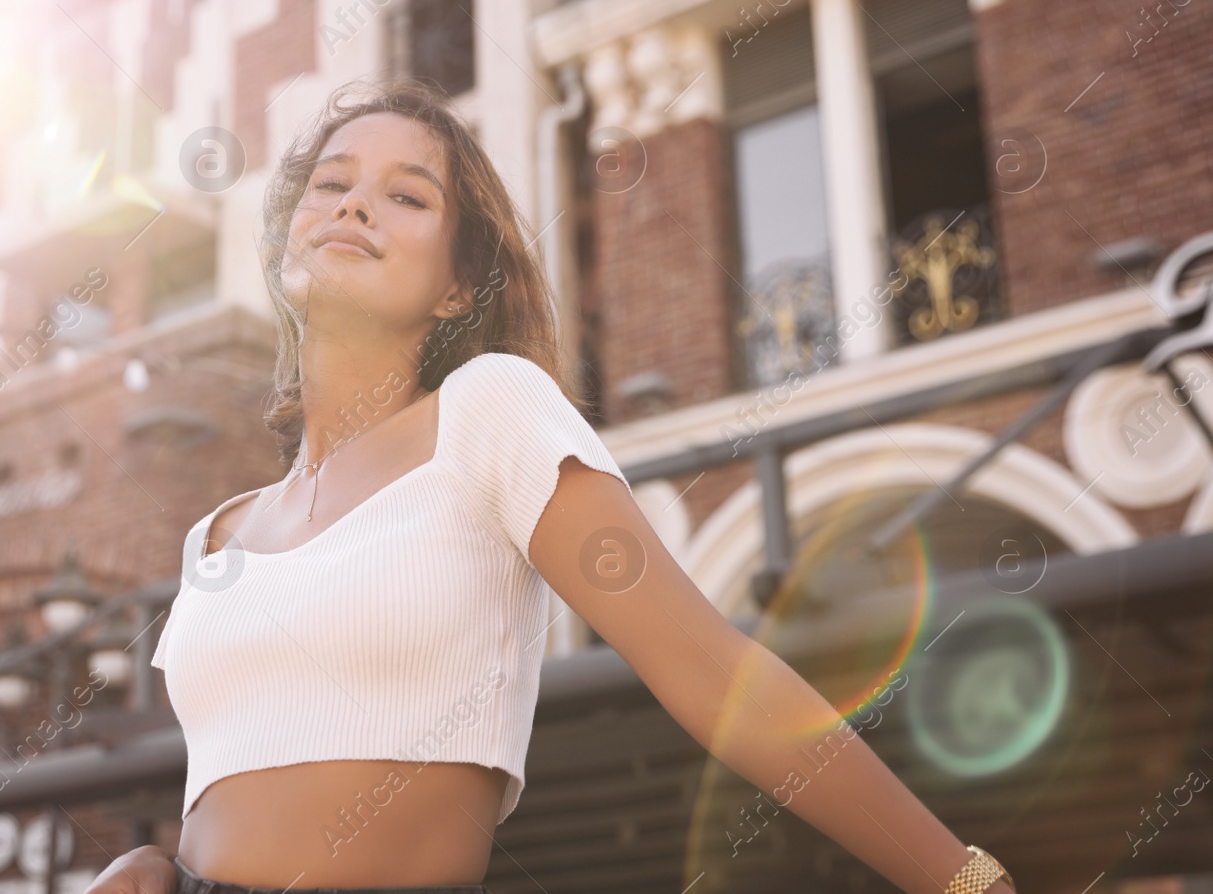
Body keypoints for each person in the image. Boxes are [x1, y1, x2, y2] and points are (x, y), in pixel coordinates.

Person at [82, 80, 1016, 894]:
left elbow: (711, 668)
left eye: (405, 196)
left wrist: (963, 877)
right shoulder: (216, 534)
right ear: (288, 243)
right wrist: (161, 863)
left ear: (458, 290)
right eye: (331, 184)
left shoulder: (489, 411)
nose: (354, 205)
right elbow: (250, 763)